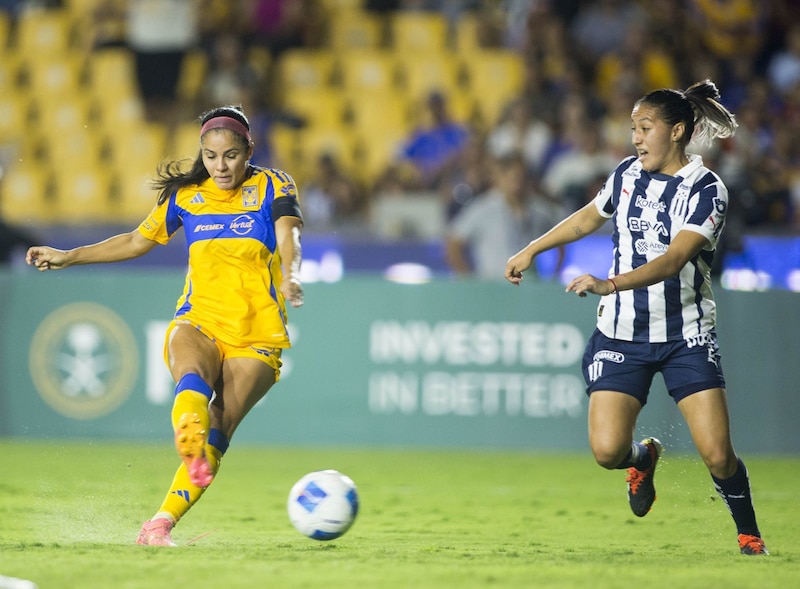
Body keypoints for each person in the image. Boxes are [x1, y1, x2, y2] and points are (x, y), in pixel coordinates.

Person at [504, 80, 768, 556]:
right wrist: (531, 249)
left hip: (685, 333)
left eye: (645, 128)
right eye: (633, 128)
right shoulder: (627, 174)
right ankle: (643, 458)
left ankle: (749, 535)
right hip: (621, 333)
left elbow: (673, 260)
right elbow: (588, 217)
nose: (635, 138)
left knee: (717, 455)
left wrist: (609, 284)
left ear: (677, 131)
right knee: (607, 452)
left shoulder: (707, 190)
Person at [26, 105, 304, 547]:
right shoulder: (186, 195)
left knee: (220, 428)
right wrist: (68, 255)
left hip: (257, 335)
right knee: (191, 375)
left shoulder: (272, 183)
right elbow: (138, 240)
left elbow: (288, 228)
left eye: (231, 156)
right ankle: (188, 439)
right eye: (211, 157)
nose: (221, 166)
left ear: (248, 150)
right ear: (202, 154)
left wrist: (290, 272)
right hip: (199, 319)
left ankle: (158, 524)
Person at [446, 153, 563, 281]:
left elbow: (562, 237)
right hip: (494, 286)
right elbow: (454, 242)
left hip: (529, 285)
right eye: (510, 176)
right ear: (499, 178)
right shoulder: (484, 208)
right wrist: (467, 278)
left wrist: (554, 275)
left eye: (520, 176)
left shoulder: (539, 210)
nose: (516, 181)